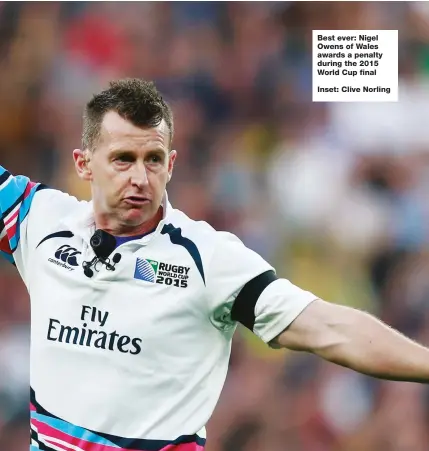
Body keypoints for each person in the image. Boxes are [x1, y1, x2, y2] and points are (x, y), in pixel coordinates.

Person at [1, 78, 429, 451]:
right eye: (122, 159)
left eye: (153, 159)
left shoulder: (206, 260)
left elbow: (326, 327)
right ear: (84, 164)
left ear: (170, 165)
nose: (140, 177)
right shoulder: (38, 220)